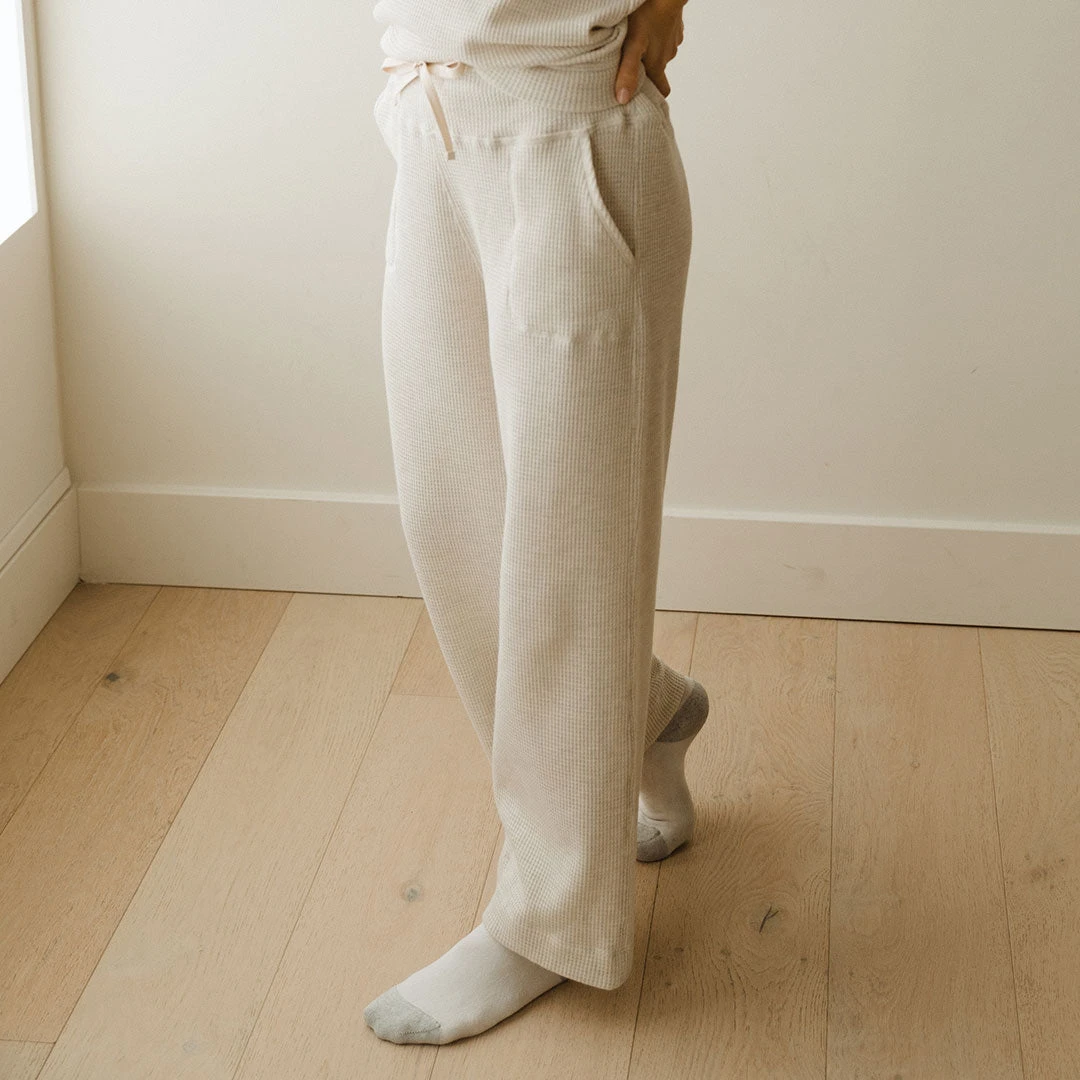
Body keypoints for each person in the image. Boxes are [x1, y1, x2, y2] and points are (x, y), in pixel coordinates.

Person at [363, 0, 708, 1046]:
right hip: (430, 117)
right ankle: (644, 709)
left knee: (571, 553)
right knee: (452, 515)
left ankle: (552, 917)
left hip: (573, 129)